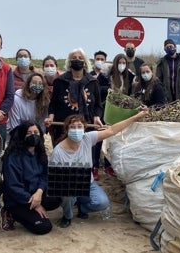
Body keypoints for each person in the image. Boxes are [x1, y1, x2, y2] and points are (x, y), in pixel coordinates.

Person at [50, 109, 148, 228]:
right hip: (68, 185)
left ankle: (82, 207)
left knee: (102, 203)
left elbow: (112, 130)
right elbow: (55, 178)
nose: (76, 130)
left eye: (79, 126)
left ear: (84, 128)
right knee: (66, 195)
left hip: (87, 183)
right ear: (66, 129)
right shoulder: (58, 151)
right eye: (72, 127)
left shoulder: (87, 138)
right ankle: (67, 215)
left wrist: (136, 117)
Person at [1, 121, 61, 234]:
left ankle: (31, 211)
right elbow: (13, 186)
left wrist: (39, 192)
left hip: (35, 193)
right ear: (22, 135)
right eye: (28, 133)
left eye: (36, 132)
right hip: (18, 199)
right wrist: (35, 205)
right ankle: (10, 212)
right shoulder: (13, 156)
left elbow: (44, 175)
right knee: (44, 227)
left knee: (56, 198)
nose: (33, 135)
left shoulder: (40, 152)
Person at [46, 48, 103, 147]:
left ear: (84, 62)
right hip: (63, 128)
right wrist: (50, 117)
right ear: (69, 62)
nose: (77, 59)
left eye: (80, 58)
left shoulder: (93, 82)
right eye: (74, 58)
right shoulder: (60, 81)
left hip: (87, 128)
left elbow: (98, 105)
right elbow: (53, 104)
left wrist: (97, 117)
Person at [6, 72, 50, 143]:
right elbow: (14, 124)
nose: (37, 85)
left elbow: (42, 124)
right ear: (28, 84)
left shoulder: (44, 102)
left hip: (34, 135)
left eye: (40, 83)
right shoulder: (16, 99)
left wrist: (37, 137)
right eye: (34, 82)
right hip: (15, 134)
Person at [90, 50, 111, 180]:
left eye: (102, 59)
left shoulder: (107, 74)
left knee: (108, 138)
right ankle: (95, 167)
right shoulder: (90, 75)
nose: (100, 61)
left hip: (108, 111)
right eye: (98, 58)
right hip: (95, 112)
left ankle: (108, 166)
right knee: (96, 141)